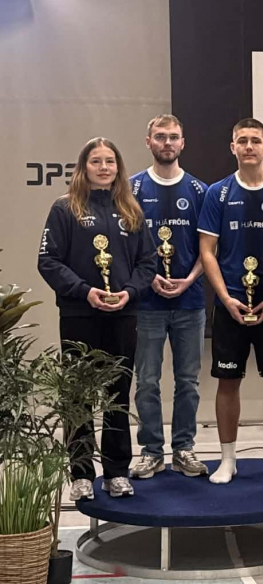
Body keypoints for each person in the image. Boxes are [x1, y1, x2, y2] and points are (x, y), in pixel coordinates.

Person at [37, 137, 158, 499]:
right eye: (96, 161)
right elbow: (48, 261)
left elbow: (148, 262)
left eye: (110, 161)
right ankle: (80, 474)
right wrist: (84, 291)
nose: (104, 167)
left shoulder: (131, 210)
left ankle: (117, 472)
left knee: (117, 393)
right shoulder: (65, 208)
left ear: (118, 168)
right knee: (78, 396)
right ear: (83, 167)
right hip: (79, 314)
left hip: (123, 314)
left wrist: (129, 292)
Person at [198, 118, 263, 484]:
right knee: (227, 382)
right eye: (242, 141)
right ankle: (227, 460)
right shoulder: (217, 193)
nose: (249, 146)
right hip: (231, 304)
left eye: (256, 140)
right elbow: (207, 251)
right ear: (233, 147)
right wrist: (224, 298)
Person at [129, 115, 209, 480]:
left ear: (183, 143)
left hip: (189, 302)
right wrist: (150, 278)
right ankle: (150, 451)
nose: (167, 143)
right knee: (146, 381)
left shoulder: (200, 191)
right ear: (148, 142)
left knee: (188, 381)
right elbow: (125, 248)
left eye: (173, 137)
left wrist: (188, 279)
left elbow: (209, 249)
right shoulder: (131, 189)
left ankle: (183, 448)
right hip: (146, 303)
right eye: (160, 137)